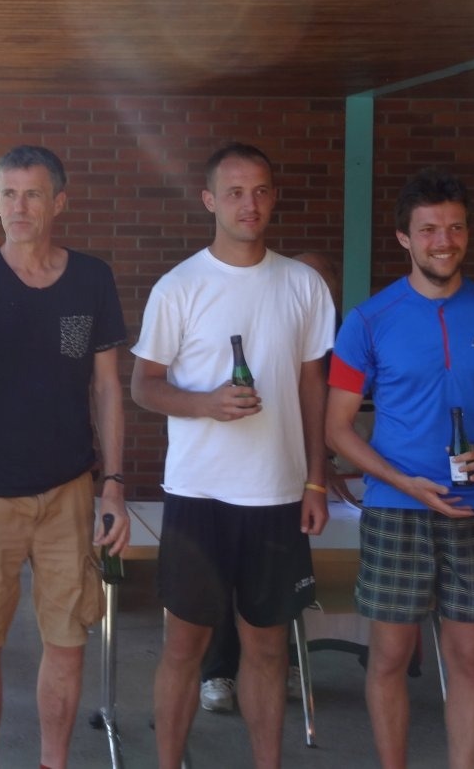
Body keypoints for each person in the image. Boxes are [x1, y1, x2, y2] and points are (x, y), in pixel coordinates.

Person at [325, 168, 474, 769]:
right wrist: (400, 482)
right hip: (397, 511)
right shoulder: (368, 321)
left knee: (469, 659)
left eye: (455, 227)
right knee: (390, 659)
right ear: (404, 238)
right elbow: (336, 427)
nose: (444, 241)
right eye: (428, 230)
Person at [130, 142, 333, 769]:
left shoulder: (302, 284)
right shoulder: (179, 286)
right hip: (198, 495)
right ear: (209, 200)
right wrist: (206, 403)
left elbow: (313, 388)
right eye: (236, 192)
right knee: (184, 646)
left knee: (267, 648)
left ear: (274, 198)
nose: (251, 204)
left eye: (261, 191)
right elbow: (144, 386)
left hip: (276, 494)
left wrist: (316, 481)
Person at [0, 144, 129, 769]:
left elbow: (107, 388)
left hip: (69, 490)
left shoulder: (92, 279)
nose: (19, 207)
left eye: (33, 194)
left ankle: (52, 763)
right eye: (8, 194)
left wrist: (114, 485)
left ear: (58, 202)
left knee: (68, 640)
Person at [198, 250, 342, 715]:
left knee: (282, 586)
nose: (312, 289)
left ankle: (289, 662)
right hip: (231, 476)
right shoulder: (254, 316)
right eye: (305, 280)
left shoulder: (337, 341)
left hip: (295, 482)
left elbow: (333, 410)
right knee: (224, 582)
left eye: (322, 282)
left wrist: (319, 472)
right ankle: (219, 670)